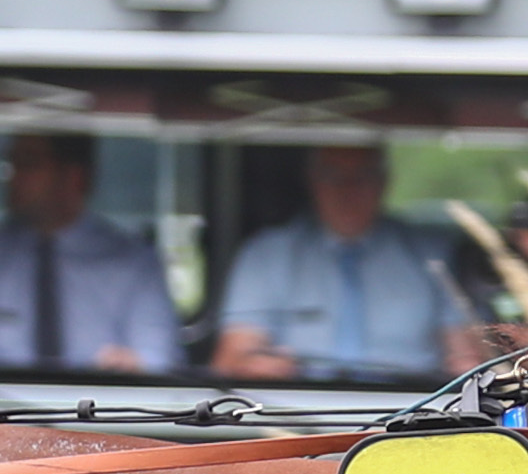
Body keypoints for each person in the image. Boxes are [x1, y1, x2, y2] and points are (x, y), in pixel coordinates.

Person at [0, 134, 180, 374]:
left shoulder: (133, 262)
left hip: (99, 421)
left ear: (74, 177)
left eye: (28, 164)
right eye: (10, 164)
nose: (12, 177)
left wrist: (130, 367)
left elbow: (160, 360)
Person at [211, 145, 494, 384]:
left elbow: (468, 356)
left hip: (411, 415)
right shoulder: (266, 254)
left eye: (363, 176)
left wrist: (463, 365)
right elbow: (229, 360)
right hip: (294, 415)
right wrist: (260, 367)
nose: (347, 190)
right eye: (332, 175)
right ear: (311, 180)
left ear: (384, 182)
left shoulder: (432, 254)